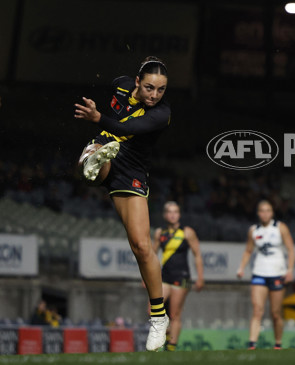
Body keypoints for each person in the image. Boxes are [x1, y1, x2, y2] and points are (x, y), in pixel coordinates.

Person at [74, 56, 171, 351]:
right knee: (96, 155)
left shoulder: (162, 114)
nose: (155, 95)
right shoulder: (122, 86)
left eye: (162, 89)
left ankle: (159, 318)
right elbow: (118, 85)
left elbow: (125, 126)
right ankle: (94, 157)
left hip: (131, 172)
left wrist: (97, 118)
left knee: (141, 247)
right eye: (150, 88)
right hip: (108, 148)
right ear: (138, 82)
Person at [236, 200, 295, 350]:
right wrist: (241, 267)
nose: (265, 213)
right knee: (257, 309)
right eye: (262, 210)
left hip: (277, 273)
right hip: (259, 272)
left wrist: (290, 270)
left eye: (268, 210)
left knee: (275, 313)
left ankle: (278, 343)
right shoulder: (253, 230)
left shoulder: (280, 228)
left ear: (272, 212)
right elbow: (248, 250)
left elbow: (291, 249)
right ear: (258, 213)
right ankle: (252, 344)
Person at [152, 201, 205, 352]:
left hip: (183, 277)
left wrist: (200, 277)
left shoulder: (187, 232)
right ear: (165, 215)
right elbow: (152, 256)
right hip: (164, 276)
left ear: (179, 214)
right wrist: (146, 277)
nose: (173, 214)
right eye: (169, 211)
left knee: (175, 313)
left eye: (175, 211)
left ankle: (171, 347)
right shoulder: (159, 233)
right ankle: (167, 334)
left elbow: (197, 255)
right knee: (152, 310)